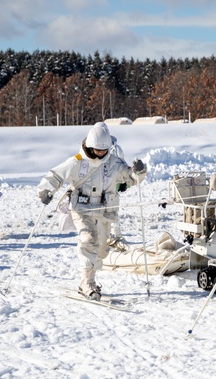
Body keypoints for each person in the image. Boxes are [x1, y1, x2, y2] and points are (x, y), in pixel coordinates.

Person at [37, 122, 147, 299]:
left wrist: (140, 171)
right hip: (82, 209)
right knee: (89, 240)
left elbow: (131, 179)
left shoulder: (114, 163)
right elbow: (56, 175)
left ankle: (91, 276)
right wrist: (46, 190)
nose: (101, 153)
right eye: (97, 149)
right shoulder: (78, 162)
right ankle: (87, 283)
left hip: (105, 210)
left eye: (104, 150)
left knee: (101, 250)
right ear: (89, 146)